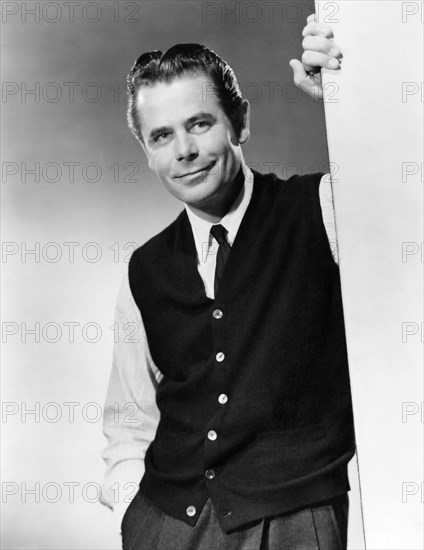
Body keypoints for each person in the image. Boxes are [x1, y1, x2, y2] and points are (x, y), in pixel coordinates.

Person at [101, 14, 355, 550]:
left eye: (199, 124)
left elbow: (404, 184)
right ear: (147, 152)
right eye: (162, 136)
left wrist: (348, 102)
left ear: (239, 121)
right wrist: (134, 515)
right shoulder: (144, 269)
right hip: (166, 525)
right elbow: (130, 415)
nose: (184, 151)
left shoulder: (324, 211)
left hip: (294, 519)